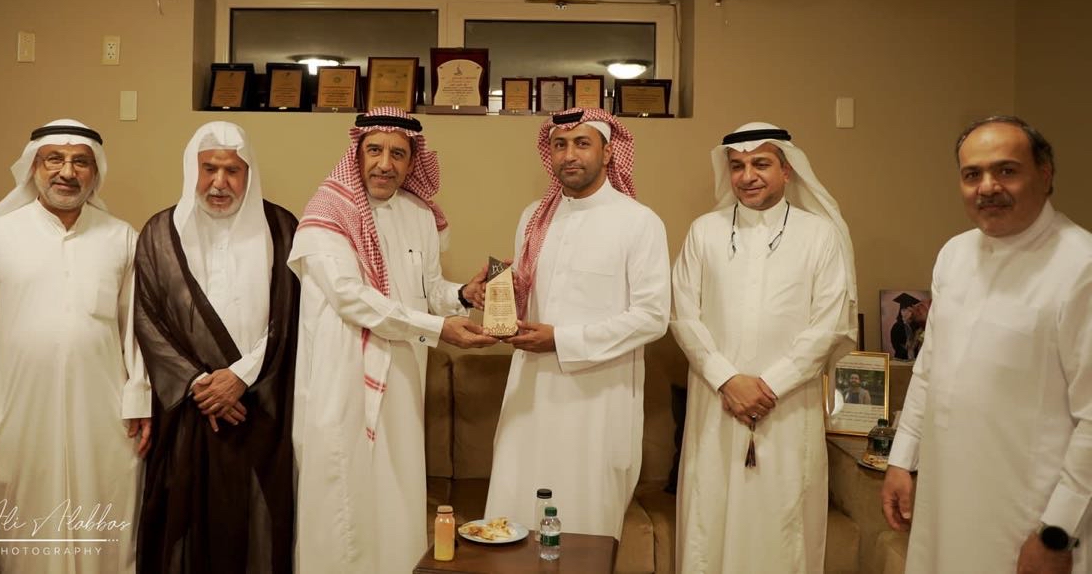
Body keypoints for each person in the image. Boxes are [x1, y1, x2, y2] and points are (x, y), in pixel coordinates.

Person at [288, 107, 497, 573]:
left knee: (396, 491)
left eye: (398, 154)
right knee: (341, 494)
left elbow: (426, 289)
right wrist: (437, 329)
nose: (385, 164)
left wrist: (462, 295)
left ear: (412, 161)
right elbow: (351, 298)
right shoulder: (327, 213)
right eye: (375, 150)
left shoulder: (419, 214)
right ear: (357, 154)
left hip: (402, 373)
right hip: (342, 374)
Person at [882, 116, 1091, 573]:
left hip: (1027, 517)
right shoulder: (954, 254)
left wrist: (1057, 532)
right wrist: (902, 460)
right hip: (944, 501)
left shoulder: (1081, 267)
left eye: (1006, 170)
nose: (987, 187)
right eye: (972, 174)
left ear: (1045, 174)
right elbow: (929, 369)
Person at [0, 119, 151, 574]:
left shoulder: (122, 237)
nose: (67, 172)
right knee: (29, 537)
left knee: (108, 533)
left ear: (96, 172)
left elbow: (137, 330)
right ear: (33, 166)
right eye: (54, 159)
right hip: (18, 417)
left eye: (81, 162)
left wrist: (141, 401)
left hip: (106, 420)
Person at [671, 122, 856, 574]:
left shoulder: (820, 235)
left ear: (787, 170)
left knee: (782, 520)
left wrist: (769, 385)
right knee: (709, 516)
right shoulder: (704, 232)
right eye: (737, 166)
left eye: (760, 164)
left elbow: (828, 324)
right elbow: (682, 314)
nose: (747, 175)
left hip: (787, 407)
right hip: (716, 403)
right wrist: (727, 379)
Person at [483, 107, 671, 538]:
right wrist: (492, 294)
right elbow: (527, 294)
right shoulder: (534, 217)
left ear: (608, 152)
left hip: (596, 400)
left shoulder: (639, 222)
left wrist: (561, 340)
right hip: (530, 394)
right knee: (514, 516)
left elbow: (652, 317)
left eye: (582, 143)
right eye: (560, 144)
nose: (569, 155)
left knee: (584, 525)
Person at [133, 122, 299, 573]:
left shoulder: (282, 229)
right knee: (183, 529)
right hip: (189, 412)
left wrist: (240, 377)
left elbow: (291, 318)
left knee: (260, 530)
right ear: (194, 169)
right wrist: (198, 384)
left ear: (249, 173)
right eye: (209, 169)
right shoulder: (160, 232)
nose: (219, 183)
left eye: (232, 170)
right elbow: (147, 319)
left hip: (260, 407)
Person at [889, 292, 922, 360]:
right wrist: (908, 348)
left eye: (909, 310)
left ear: (913, 312)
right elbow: (896, 346)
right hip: (901, 360)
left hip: (917, 360)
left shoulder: (918, 326)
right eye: (903, 310)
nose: (905, 313)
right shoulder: (897, 327)